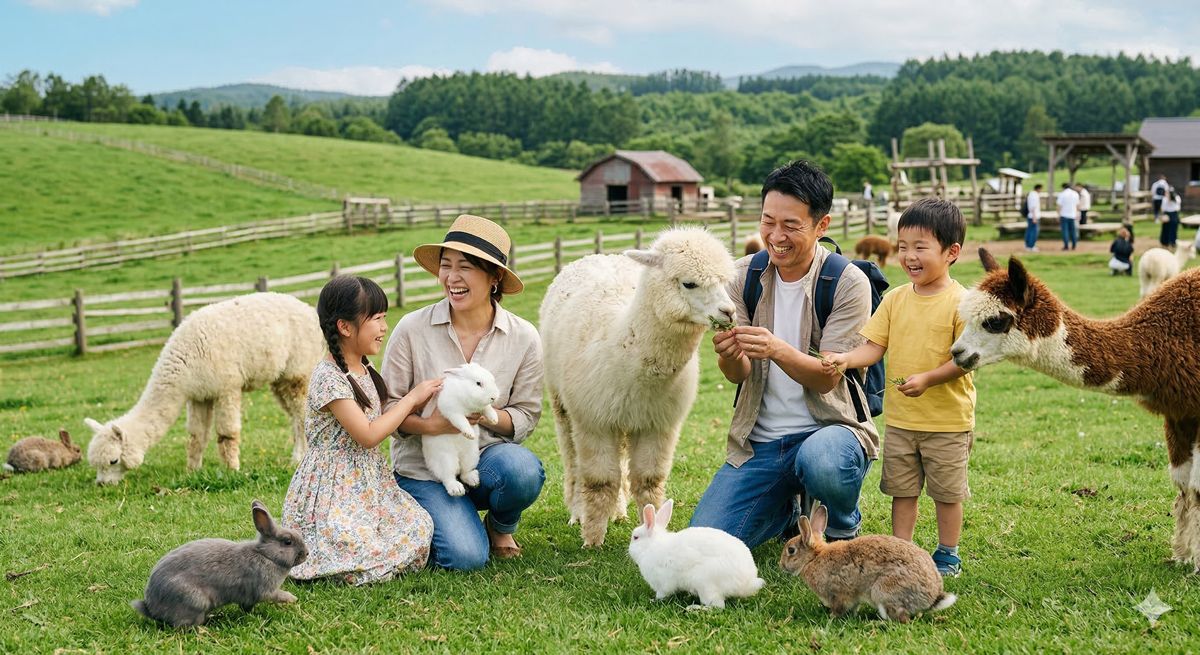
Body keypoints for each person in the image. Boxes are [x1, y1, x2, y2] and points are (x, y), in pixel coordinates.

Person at [690, 160, 878, 548]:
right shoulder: (742, 276)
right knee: (705, 543)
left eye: (791, 226)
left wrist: (776, 349)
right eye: (768, 221)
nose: (776, 236)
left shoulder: (845, 281)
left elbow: (828, 376)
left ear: (821, 226)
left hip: (829, 431)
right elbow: (738, 374)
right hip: (760, 443)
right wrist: (727, 355)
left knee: (824, 461)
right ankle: (786, 512)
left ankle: (841, 524)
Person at [823, 197, 975, 577]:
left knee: (947, 493)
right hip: (903, 421)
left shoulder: (963, 303)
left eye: (921, 247)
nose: (909, 256)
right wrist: (845, 358)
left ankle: (947, 554)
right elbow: (874, 348)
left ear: (951, 251)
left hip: (948, 422)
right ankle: (902, 552)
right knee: (902, 490)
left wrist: (928, 379)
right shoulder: (894, 300)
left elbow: (965, 360)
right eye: (903, 246)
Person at [383, 214, 545, 571]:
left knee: (522, 471)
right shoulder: (412, 329)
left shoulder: (523, 337)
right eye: (446, 266)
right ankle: (449, 514)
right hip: (427, 467)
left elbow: (527, 415)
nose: (452, 278)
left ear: (494, 277)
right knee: (465, 558)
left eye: (465, 267)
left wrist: (487, 416)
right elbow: (388, 407)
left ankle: (499, 527)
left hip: (484, 460)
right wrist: (432, 425)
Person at [283, 275, 441, 585]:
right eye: (377, 319)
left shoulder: (363, 366)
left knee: (419, 525)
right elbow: (367, 435)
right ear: (345, 327)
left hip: (367, 485)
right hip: (333, 490)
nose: (384, 328)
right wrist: (411, 399)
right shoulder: (330, 379)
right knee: (352, 542)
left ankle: (366, 561)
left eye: (385, 318)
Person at [1056, 182, 1080, 251]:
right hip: (1073, 215)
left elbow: (1059, 206)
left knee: (1065, 231)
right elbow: (1077, 205)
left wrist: (1058, 215)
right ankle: (1074, 245)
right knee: (1073, 231)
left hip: (1064, 215)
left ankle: (1066, 246)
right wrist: (1077, 213)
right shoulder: (1075, 194)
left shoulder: (1062, 194)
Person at [1024, 184, 1042, 252]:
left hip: (1030, 215)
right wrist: (1034, 217)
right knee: (1034, 232)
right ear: (1039, 188)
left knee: (1029, 231)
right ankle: (1031, 246)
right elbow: (1033, 207)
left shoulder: (1030, 194)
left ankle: (1027, 245)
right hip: (1034, 216)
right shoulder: (1035, 195)